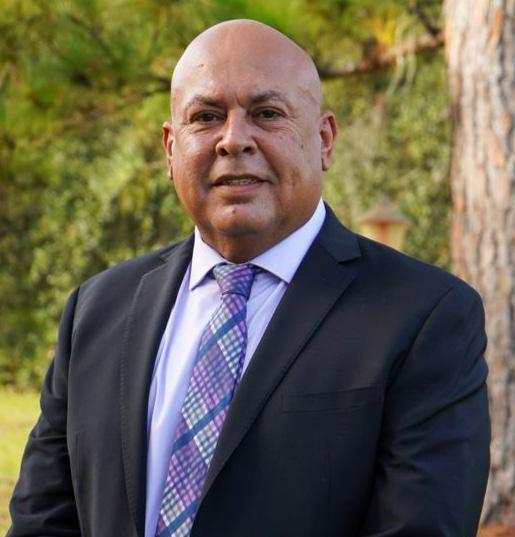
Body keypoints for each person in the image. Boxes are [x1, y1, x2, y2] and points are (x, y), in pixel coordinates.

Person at [8, 19, 490, 537]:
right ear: (170, 148)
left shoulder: (424, 317)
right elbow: (42, 521)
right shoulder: (97, 311)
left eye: (267, 114)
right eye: (206, 117)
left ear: (324, 140)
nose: (233, 140)